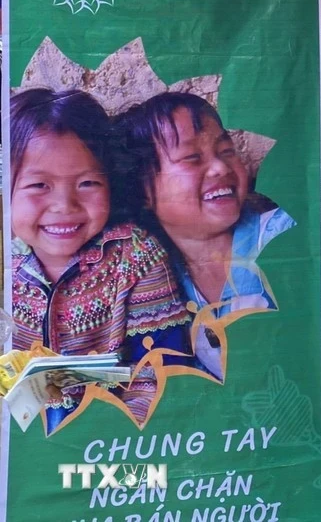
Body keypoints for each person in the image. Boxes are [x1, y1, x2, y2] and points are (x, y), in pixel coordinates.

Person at [9, 88, 193, 434]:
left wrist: (111, 441)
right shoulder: (6, 267)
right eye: (38, 185)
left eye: (88, 182)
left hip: (109, 450)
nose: (65, 205)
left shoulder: (135, 257)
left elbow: (158, 373)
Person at [113, 92, 296, 378]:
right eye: (192, 158)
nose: (221, 167)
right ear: (143, 190)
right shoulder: (154, 286)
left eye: (226, 151)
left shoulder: (282, 237)